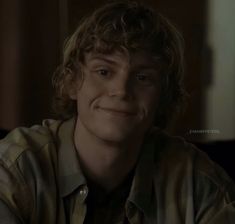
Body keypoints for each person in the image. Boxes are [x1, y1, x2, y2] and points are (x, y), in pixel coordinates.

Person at [0, 1, 234, 223]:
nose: (121, 90)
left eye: (143, 78)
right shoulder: (15, 169)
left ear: (164, 96)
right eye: (104, 71)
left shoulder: (198, 183)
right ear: (71, 81)